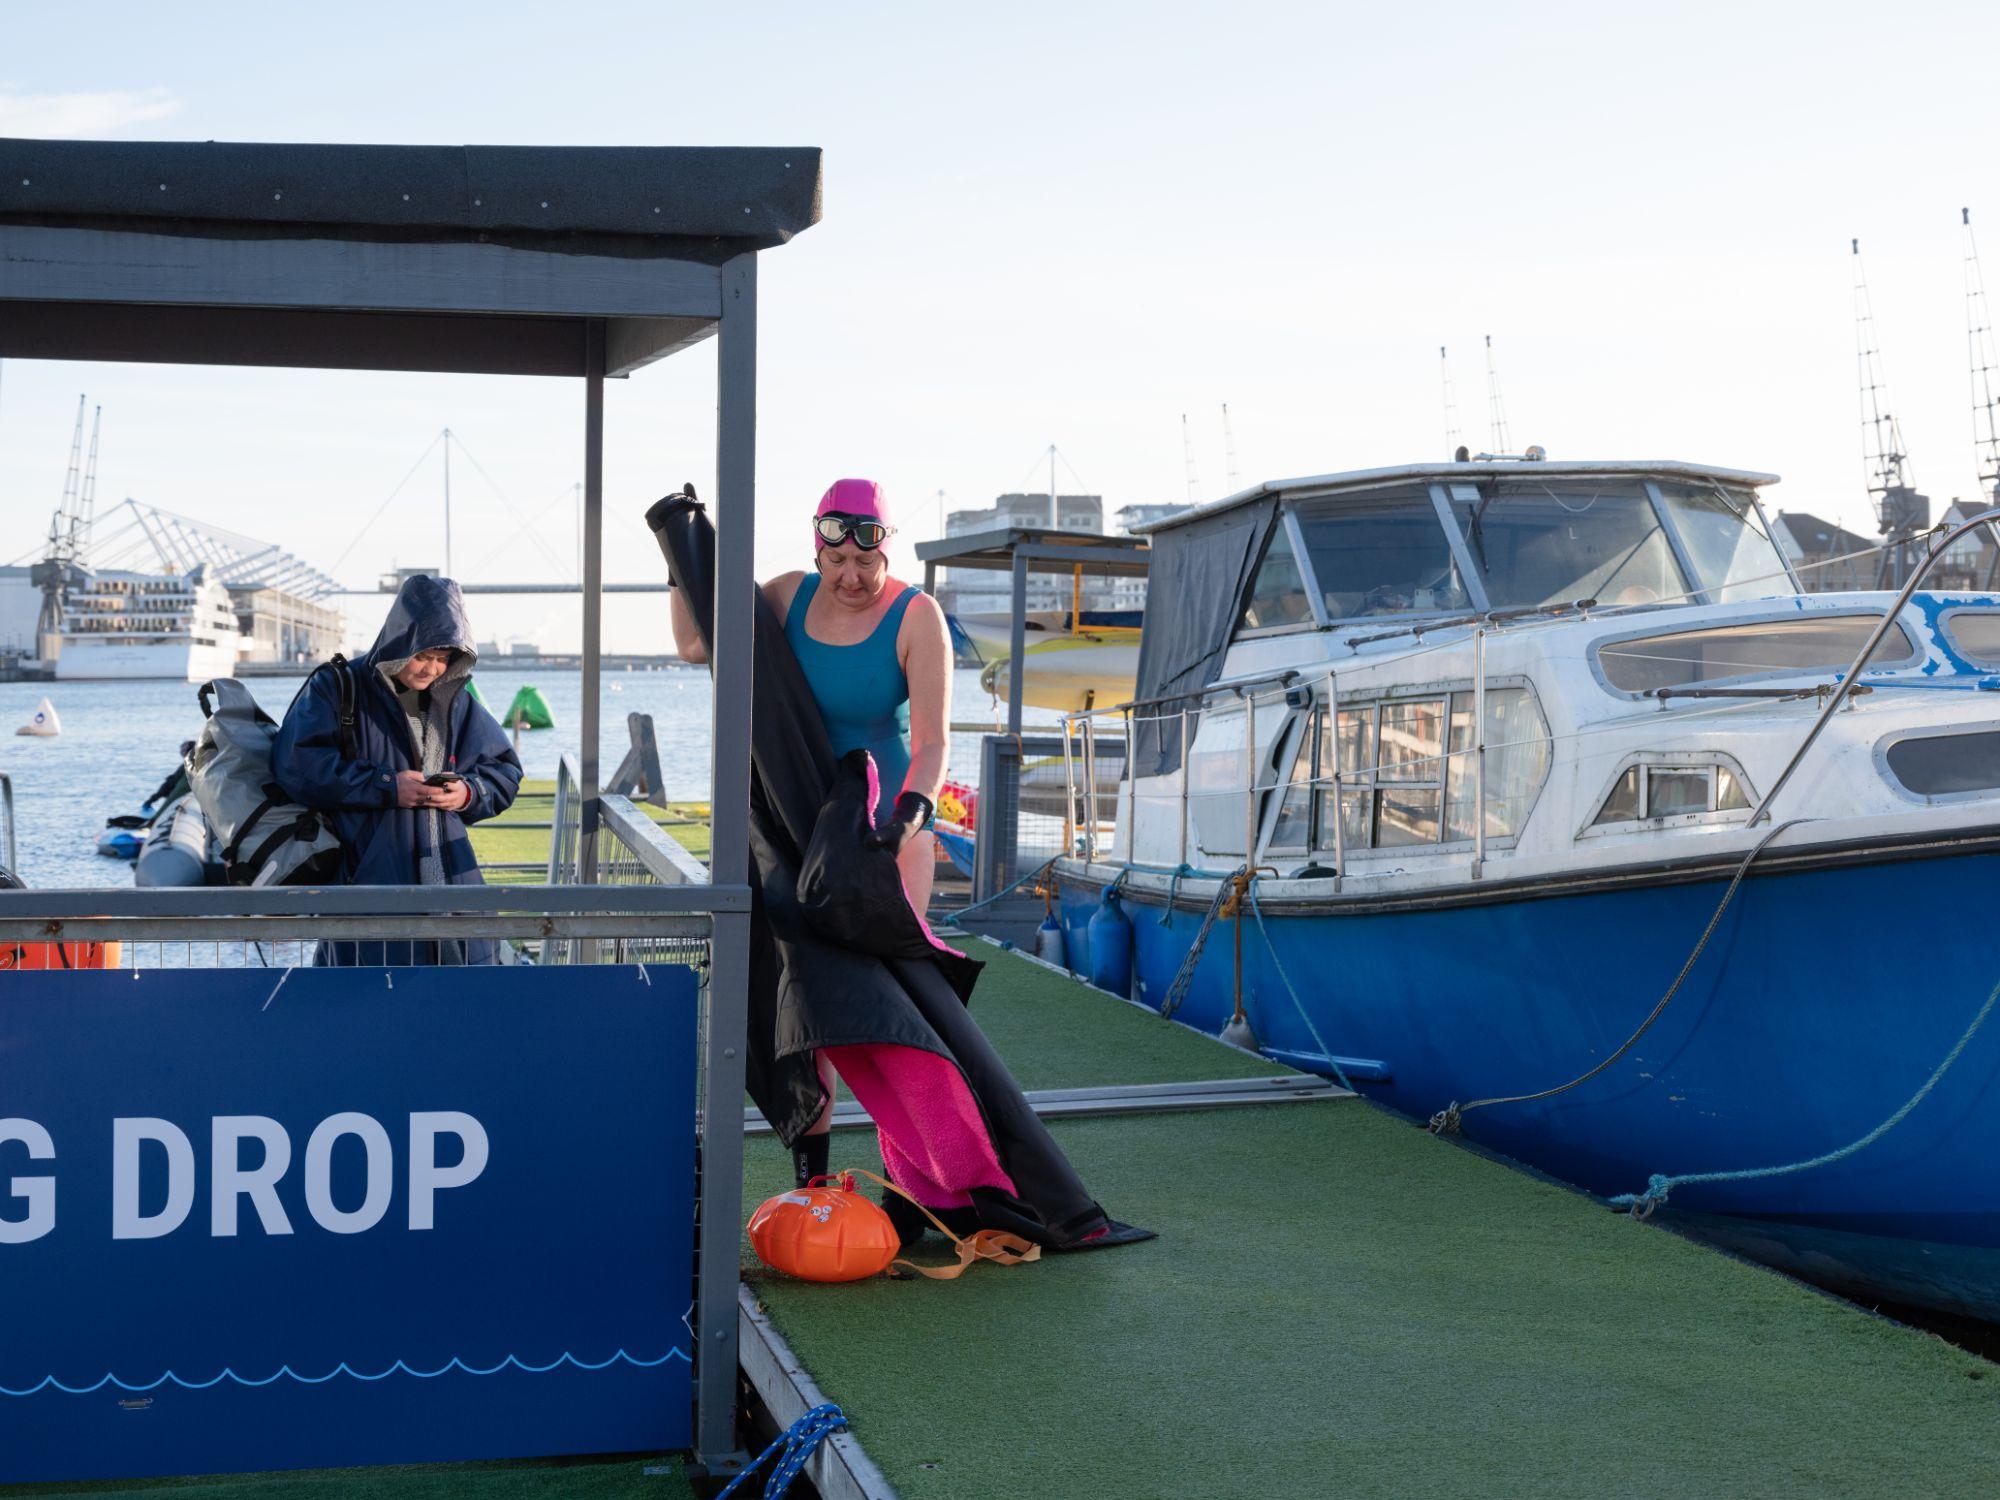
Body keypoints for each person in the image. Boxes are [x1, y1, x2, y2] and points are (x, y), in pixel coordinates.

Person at [669, 477, 953, 1185]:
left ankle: (922, 1182)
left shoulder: (918, 616)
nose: (853, 578)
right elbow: (696, 646)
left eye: (868, 564)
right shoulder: (787, 594)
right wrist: (682, 560)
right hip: (794, 819)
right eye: (839, 564)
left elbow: (933, 743)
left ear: (887, 553)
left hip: (882, 827)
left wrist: (908, 817)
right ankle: (813, 1183)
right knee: (805, 1004)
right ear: (819, 552)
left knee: (898, 1009)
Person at [274, 574, 523, 965]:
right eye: (423, 655)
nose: (432, 670)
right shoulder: (337, 686)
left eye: (444, 659)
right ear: (398, 641)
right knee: (363, 999)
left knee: (463, 1001)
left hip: (454, 881)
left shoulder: (456, 701)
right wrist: (387, 786)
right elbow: (297, 765)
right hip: (366, 879)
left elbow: (504, 771)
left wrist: (468, 793)